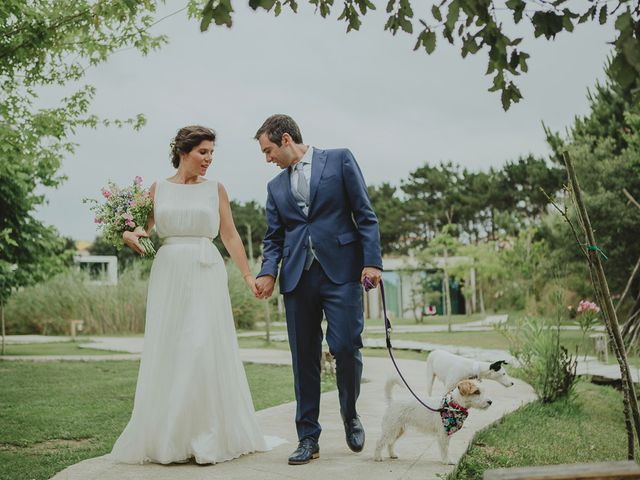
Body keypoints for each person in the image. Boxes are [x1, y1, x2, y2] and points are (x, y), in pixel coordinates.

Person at [111, 125, 272, 465]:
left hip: (204, 272)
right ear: (183, 152)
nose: (208, 159)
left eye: (212, 153)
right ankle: (170, 438)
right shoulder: (157, 189)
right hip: (168, 273)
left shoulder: (216, 189)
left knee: (200, 347)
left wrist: (248, 276)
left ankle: (205, 437)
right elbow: (143, 231)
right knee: (171, 348)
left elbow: (229, 237)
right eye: (203, 152)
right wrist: (131, 234)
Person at [253, 114, 383, 465]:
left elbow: (365, 214)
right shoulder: (275, 187)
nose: (268, 159)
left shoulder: (339, 159)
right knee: (303, 360)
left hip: (341, 272)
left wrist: (372, 262)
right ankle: (308, 437)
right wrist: (268, 272)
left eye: (268, 151)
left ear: (284, 139)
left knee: (345, 346)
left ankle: (350, 414)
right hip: (298, 279)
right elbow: (273, 238)